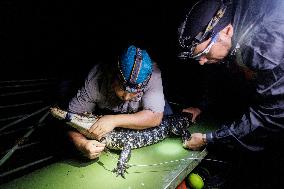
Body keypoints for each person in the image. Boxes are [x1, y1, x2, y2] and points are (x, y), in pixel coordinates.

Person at [177, 0, 284, 152]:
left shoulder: (266, 47)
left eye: (203, 53)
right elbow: (218, 71)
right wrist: (201, 105)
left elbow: (270, 116)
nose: (201, 62)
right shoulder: (236, 20)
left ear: (227, 31)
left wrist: (209, 139)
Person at [65, 45, 168, 159]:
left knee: (167, 120)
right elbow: (70, 118)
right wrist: (81, 143)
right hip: (102, 112)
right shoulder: (95, 80)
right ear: (113, 75)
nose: (127, 97)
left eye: (135, 92)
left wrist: (113, 120)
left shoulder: (154, 76)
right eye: (122, 89)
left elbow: (155, 117)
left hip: (143, 111)